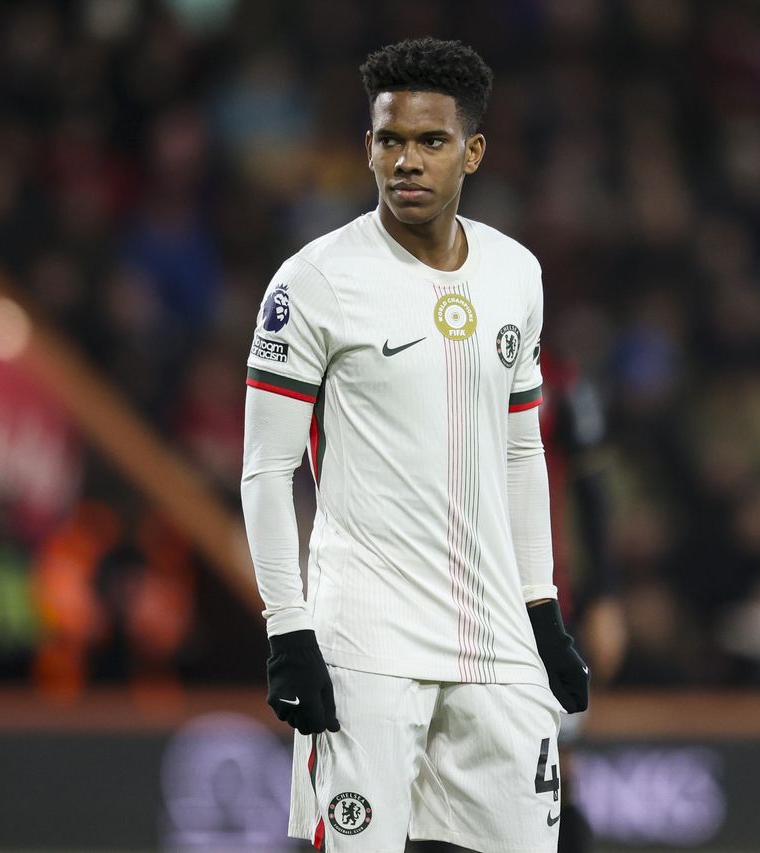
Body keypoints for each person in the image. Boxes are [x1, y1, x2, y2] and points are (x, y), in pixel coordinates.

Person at [240, 37, 590, 852]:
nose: (407, 160)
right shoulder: (314, 281)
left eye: (431, 140)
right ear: (367, 146)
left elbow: (521, 451)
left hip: (496, 637)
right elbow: (265, 470)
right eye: (391, 139)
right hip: (366, 638)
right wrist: (288, 628)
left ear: (473, 151)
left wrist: (541, 608)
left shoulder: (516, 274)